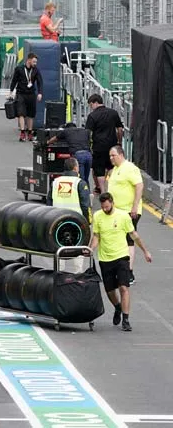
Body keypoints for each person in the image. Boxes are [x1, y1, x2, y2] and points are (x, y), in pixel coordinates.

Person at [89, 193, 152, 332]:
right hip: (105, 258)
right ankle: (117, 307)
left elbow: (134, 235)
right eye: (103, 207)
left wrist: (145, 251)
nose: (105, 209)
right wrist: (90, 249)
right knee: (110, 291)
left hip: (122, 257)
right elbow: (96, 236)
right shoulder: (98, 216)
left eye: (107, 207)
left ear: (112, 202)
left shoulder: (123, 216)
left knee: (124, 288)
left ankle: (126, 319)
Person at [106, 145, 143, 284]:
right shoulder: (115, 170)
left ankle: (129, 272)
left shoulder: (130, 168)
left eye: (113, 155)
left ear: (121, 155)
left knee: (129, 239)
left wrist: (134, 206)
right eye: (110, 156)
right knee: (119, 240)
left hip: (129, 211)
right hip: (118, 211)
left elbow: (139, 186)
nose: (111, 158)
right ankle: (121, 270)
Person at [85, 93, 124, 194]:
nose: (91, 108)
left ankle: (102, 191)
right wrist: (119, 142)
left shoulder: (92, 116)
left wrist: (88, 145)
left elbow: (88, 133)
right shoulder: (113, 113)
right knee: (112, 167)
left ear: (96, 103)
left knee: (99, 169)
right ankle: (112, 189)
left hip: (98, 146)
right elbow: (120, 129)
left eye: (91, 105)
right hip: (112, 145)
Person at [9, 53, 43, 142]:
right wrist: (11, 92)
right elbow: (14, 81)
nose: (35, 63)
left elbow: (40, 82)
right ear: (29, 60)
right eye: (34, 61)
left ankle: (30, 132)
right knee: (21, 113)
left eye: (36, 62)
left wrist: (40, 93)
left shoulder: (36, 70)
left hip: (31, 94)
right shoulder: (19, 69)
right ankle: (22, 132)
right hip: (21, 94)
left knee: (30, 115)